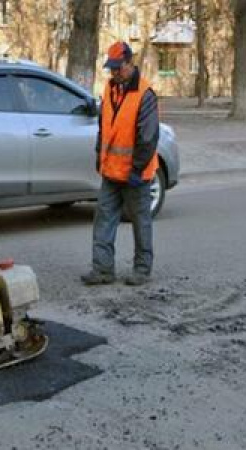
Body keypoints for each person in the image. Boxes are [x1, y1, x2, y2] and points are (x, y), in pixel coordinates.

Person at [81, 41, 159, 287]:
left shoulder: (145, 94)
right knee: (103, 219)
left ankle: (142, 270)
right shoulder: (110, 89)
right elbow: (104, 128)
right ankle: (103, 270)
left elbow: (147, 137)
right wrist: (98, 155)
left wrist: (136, 169)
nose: (114, 72)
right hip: (111, 171)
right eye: (111, 68)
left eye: (118, 67)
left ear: (130, 63)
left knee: (140, 221)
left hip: (135, 174)